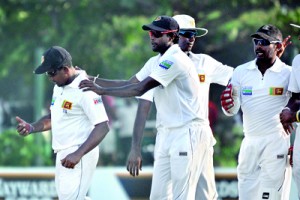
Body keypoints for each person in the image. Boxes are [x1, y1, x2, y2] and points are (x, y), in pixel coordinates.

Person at [79, 15, 214, 200]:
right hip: (166, 133)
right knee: (158, 197)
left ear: (172, 36)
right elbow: (128, 83)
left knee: (182, 197)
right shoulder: (156, 61)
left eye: (157, 33)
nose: (152, 36)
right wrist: (89, 79)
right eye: (151, 32)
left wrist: (101, 91)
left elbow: (139, 89)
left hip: (187, 132)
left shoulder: (175, 59)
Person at [126, 14, 234, 200]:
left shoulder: (204, 62)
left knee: (206, 195)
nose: (191, 38)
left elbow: (237, 76)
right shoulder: (156, 63)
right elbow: (143, 103)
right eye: (186, 33)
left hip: (198, 135)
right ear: (174, 35)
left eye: (193, 34)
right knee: (167, 196)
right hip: (169, 134)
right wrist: (135, 147)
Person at [15, 46, 110, 200]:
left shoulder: (86, 89)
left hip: (79, 153)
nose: (50, 77)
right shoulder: (59, 87)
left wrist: (78, 154)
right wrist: (32, 127)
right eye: (47, 74)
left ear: (65, 69)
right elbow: (53, 117)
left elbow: (103, 126)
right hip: (63, 154)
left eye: (52, 72)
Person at [220, 24, 292, 199]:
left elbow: (296, 107)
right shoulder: (240, 72)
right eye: (256, 41)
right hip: (249, 143)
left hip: (276, 142)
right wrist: (226, 106)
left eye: (264, 42)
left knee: (270, 197)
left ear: (278, 46)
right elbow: (232, 109)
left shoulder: (289, 73)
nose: (258, 46)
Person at [279, 23, 300, 199]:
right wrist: (287, 111)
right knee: (298, 172)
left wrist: (294, 116)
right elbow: (297, 97)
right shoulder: (298, 61)